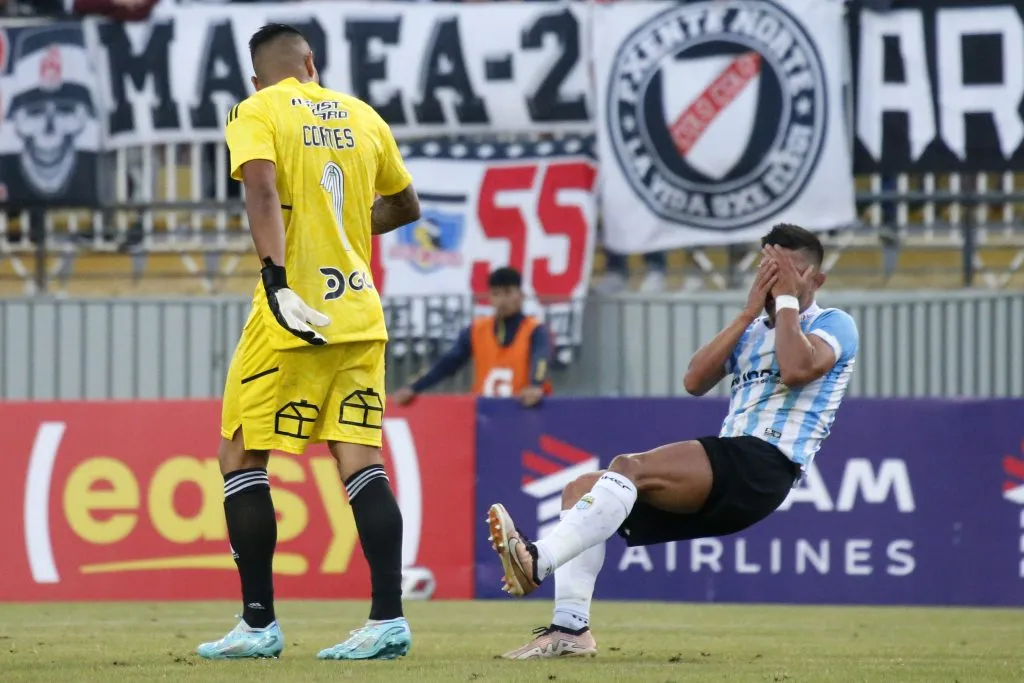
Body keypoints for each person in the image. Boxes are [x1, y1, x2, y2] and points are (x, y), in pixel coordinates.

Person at [486, 224, 859, 659]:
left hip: (765, 463)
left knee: (628, 466)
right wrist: (746, 313)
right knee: (580, 489)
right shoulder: (755, 327)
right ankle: (570, 630)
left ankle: (537, 560)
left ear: (815, 279)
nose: (776, 280)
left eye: (788, 272)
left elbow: (796, 369)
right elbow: (694, 380)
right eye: (768, 269)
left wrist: (791, 299)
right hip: (734, 466)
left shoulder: (834, 323)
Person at [196, 23, 421, 661]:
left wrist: (276, 278)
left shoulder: (256, 110)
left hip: (290, 314)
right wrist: (345, 227)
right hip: (359, 314)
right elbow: (405, 205)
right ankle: (388, 620)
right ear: (311, 62)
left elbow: (261, 187)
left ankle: (259, 624)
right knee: (361, 461)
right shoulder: (363, 116)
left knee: (239, 457)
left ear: (256, 77)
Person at [392, 266, 552, 408]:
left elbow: (541, 359)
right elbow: (448, 363)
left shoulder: (534, 329)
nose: (503, 300)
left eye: (508, 293)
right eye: (496, 294)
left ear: (521, 295)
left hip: (524, 409)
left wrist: (535, 385)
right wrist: (414, 387)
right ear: (489, 297)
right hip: (485, 413)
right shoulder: (478, 329)